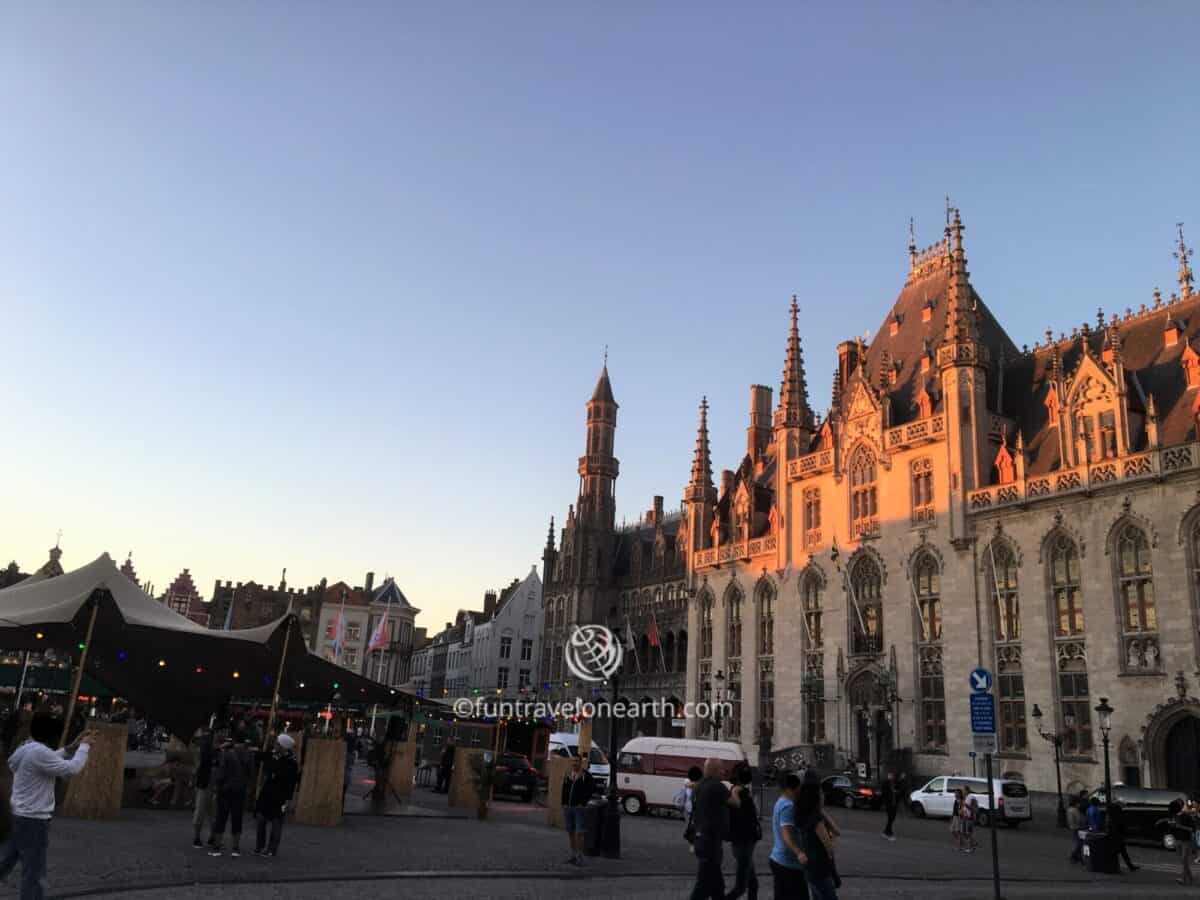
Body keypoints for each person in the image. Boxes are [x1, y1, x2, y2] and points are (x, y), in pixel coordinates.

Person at [0, 714, 94, 900]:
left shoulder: (26, 748)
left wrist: (71, 747)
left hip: (17, 815)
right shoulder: (39, 753)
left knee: (6, 861)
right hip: (34, 820)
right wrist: (85, 746)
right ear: (52, 736)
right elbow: (71, 769)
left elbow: (43, 759)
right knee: (34, 872)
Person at [689, 757, 740, 900]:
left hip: (700, 839)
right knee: (703, 885)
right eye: (722, 769)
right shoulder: (717, 786)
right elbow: (736, 803)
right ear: (714, 770)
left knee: (716, 884)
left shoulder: (698, 786)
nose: (724, 772)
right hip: (710, 842)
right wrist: (735, 790)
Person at [208, 731, 254, 857]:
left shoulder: (226, 754)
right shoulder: (249, 755)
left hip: (225, 789)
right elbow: (251, 774)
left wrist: (218, 786)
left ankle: (217, 847)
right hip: (240, 790)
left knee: (221, 818)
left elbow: (221, 773)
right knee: (237, 818)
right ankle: (235, 848)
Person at [794, 771, 839, 900]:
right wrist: (831, 837)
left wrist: (821, 811)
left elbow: (837, 830)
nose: (824, 796)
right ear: (816, 797)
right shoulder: (816, 820)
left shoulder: (807, 815)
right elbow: (830, 847)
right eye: (821, 793)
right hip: (820, 869)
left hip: (811, 868)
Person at [254, 734, 300, 858]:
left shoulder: (291, 763)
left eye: (278, 744)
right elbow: (259, 757)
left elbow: (292, 783)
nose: (275, 746)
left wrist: (289, 800)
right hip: (267, 792)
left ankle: (271, 849)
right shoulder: (272, 755)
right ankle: (260, 845)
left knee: (277, 822)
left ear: (283, 747)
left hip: (281, 796)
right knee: (260, 818)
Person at [768, 772, 808, 900]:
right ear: (795, 788)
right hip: (788, 863)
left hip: (778, 859)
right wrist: (799, 853)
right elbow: (787, 834)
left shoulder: (780, 802)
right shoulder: (788, 806)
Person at [725, 764, 760, 900]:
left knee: (753, 885)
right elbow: (740, 809)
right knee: (740, 888)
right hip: (742, 844)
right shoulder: (736, 792)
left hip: (745, 844)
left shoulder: (742, 791)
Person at [560, 755, 596, 866]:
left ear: (581, 763)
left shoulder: (586, 776)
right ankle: (573, 855)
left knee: (579, 833)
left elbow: (591, 789)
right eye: (573, 761)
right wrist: (564, 803)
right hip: (568, 808)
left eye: (577, 761)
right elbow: (564, 789)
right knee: (570, 832)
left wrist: (583, 803)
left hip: (579, 808)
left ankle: (580, 857)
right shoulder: (568, 774)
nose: (575, 763)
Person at [191, 728, 218, 849]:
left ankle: (212, 836)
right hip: (205, 783)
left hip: (216, 784)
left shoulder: (222, 747)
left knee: (214, 813)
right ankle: (197, 837)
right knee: (200, 811)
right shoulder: (206, 747)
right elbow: (202, 761)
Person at [1108, 802, 1139, 872]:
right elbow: (1123, 828)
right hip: (1119, 837)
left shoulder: (1111, 818)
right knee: (1121, 853)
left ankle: (1118, 867)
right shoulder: (1120, 817)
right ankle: (1127, 867)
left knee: (1117, 853)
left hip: (1114, 837)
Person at [1066, 796, 1084, 864]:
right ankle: (1073, 855)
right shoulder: (1075, 810)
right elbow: (1079, 819)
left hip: (1073, 827)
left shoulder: (1069, 809)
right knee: (1079, 844)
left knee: (1077, 842)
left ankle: (1078, 858)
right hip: (1077, 828)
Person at [881, 769, 898, 841]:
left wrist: (895, 792)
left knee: (892, 818)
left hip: (893, 803)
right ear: (888, 776)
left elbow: (895, 791)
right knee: (890, 818)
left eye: (892, 775)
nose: (891, 776)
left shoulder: (893, 782)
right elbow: (884, 793)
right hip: (889, 804)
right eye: (890, 775)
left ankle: (886, 832)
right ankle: (888, 833)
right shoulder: (886, 783)